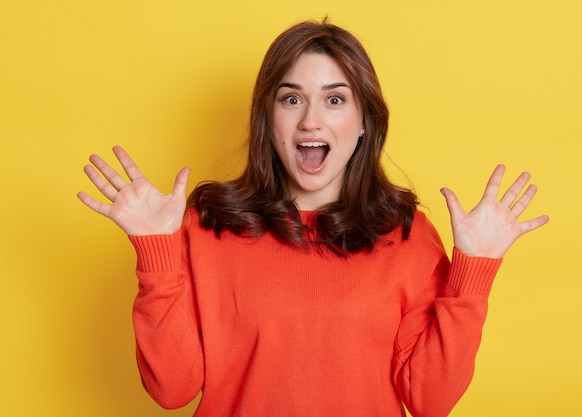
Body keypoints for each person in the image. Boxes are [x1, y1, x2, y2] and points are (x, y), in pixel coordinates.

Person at [77, 19, 549, 417]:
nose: (311, 121)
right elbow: (172, 390)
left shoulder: (407, 237)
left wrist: (472, 274)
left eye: (335, 99)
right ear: (269, 118)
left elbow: (430, 400)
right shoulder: (207, 227)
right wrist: (156, 251)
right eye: (291, 98)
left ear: (365, 122)